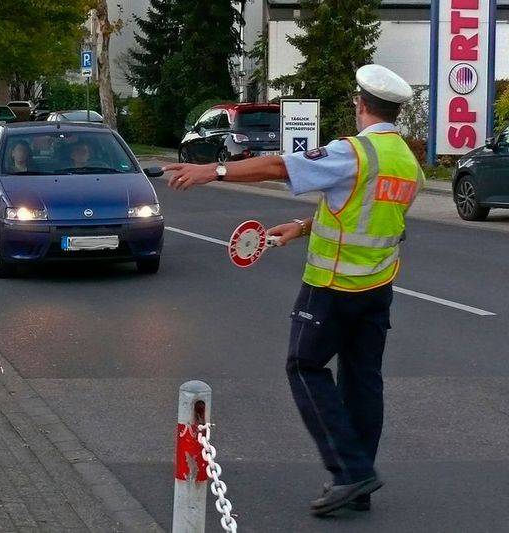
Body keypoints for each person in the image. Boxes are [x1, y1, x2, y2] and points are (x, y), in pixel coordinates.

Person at [164, 64, 424, 516]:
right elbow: (369, 215)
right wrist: (303, 227)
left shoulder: (354, 152)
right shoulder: (409, 165)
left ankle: (350, 471)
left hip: (331, 287)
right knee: (362, 381)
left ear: (360, 105)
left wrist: (212, 170)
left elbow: (279, 165)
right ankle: (358, 483)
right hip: (377, 288)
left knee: (304, 366)